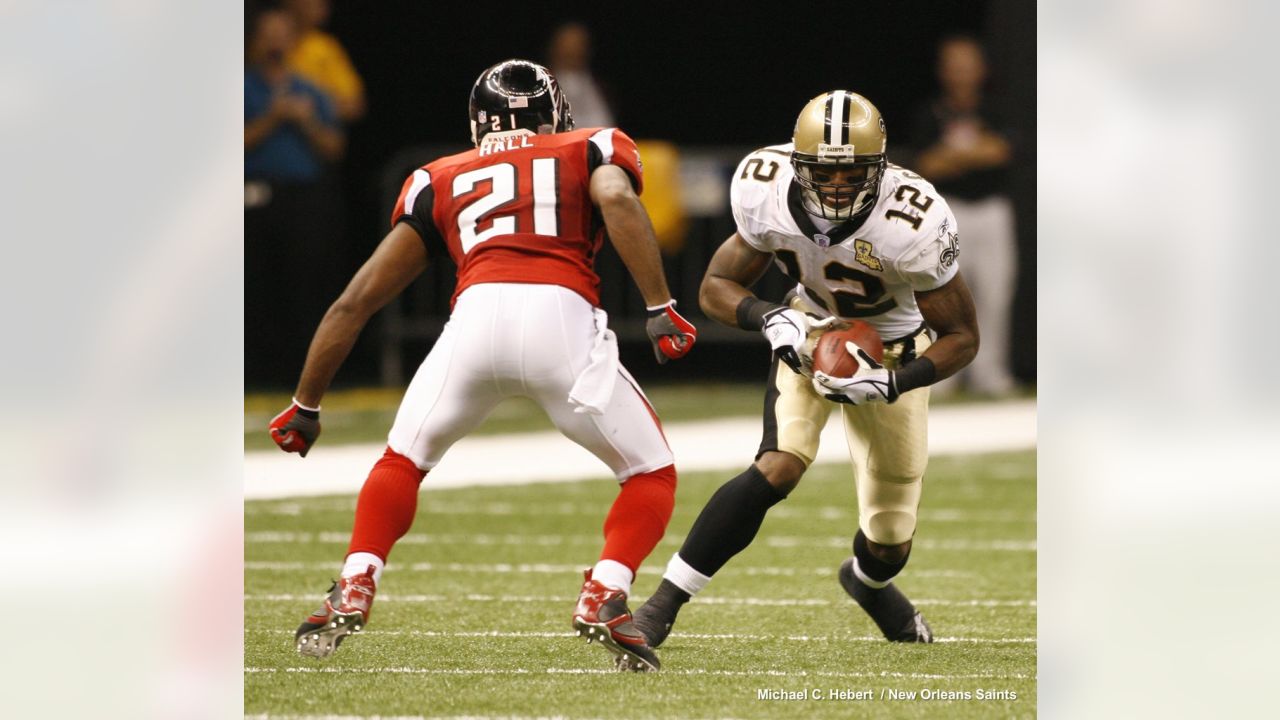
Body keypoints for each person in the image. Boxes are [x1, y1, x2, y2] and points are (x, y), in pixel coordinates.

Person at [269, 59, 697, 673]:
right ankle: (604, 590)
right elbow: (613, 194)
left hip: (473, 324)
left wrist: (306, 405)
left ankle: (357, 577)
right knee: (650, 471)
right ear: (554, 115)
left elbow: (355, 301)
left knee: (404, 459)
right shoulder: (593, 144)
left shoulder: (437, 176)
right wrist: (660, 305)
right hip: (561, 318)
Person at [632, 91, 979, 646]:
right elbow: (716, 287)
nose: (839, 184)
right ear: (797, 165)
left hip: (894, 352)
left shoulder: (913, 218)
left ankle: (867, 583)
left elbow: (963, 337)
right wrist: (770, 317)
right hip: (810, 332)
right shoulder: (764, 189)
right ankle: (658, 609)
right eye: (825, 171)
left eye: (853, 171)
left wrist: (892, 381)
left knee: (890, 539)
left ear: (880, 167)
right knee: (779, 464)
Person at [244, 7, 346, 387]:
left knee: (306, 285)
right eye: (267, 32)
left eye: (282, 33)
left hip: (304, 200)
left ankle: (307, 375)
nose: (275, 40)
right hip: (252, 199)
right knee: (254, 287)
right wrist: (273, 117)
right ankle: (253, 375)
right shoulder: (241, 88)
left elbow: (334, 147)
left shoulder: (310, 90)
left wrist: (305, 120)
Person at [911, 35, 1017, 397]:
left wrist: (954, 156)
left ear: (981, 68)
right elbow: (925, 164)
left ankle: (990, 371)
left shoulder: (996, 109)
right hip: (948, 210)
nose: (961, 72)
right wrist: (971, 153)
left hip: (991, 209)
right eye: (954, 64)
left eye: (967, 63)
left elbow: (1002, 151)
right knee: (944, 290)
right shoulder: (931, 112)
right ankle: (944, 369)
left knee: (996, 290)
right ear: (943, 71)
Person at [284, 0, 367, 123]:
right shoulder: (263, 42)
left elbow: (354, 105)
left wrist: (313, 107)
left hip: (314, 133)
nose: (322, 5)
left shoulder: (324, 47)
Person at [546, 22, 614, 128]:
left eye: (579, 46)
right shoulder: (541, 90)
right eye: (568, 49)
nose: (574, 51)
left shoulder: (601, 87)